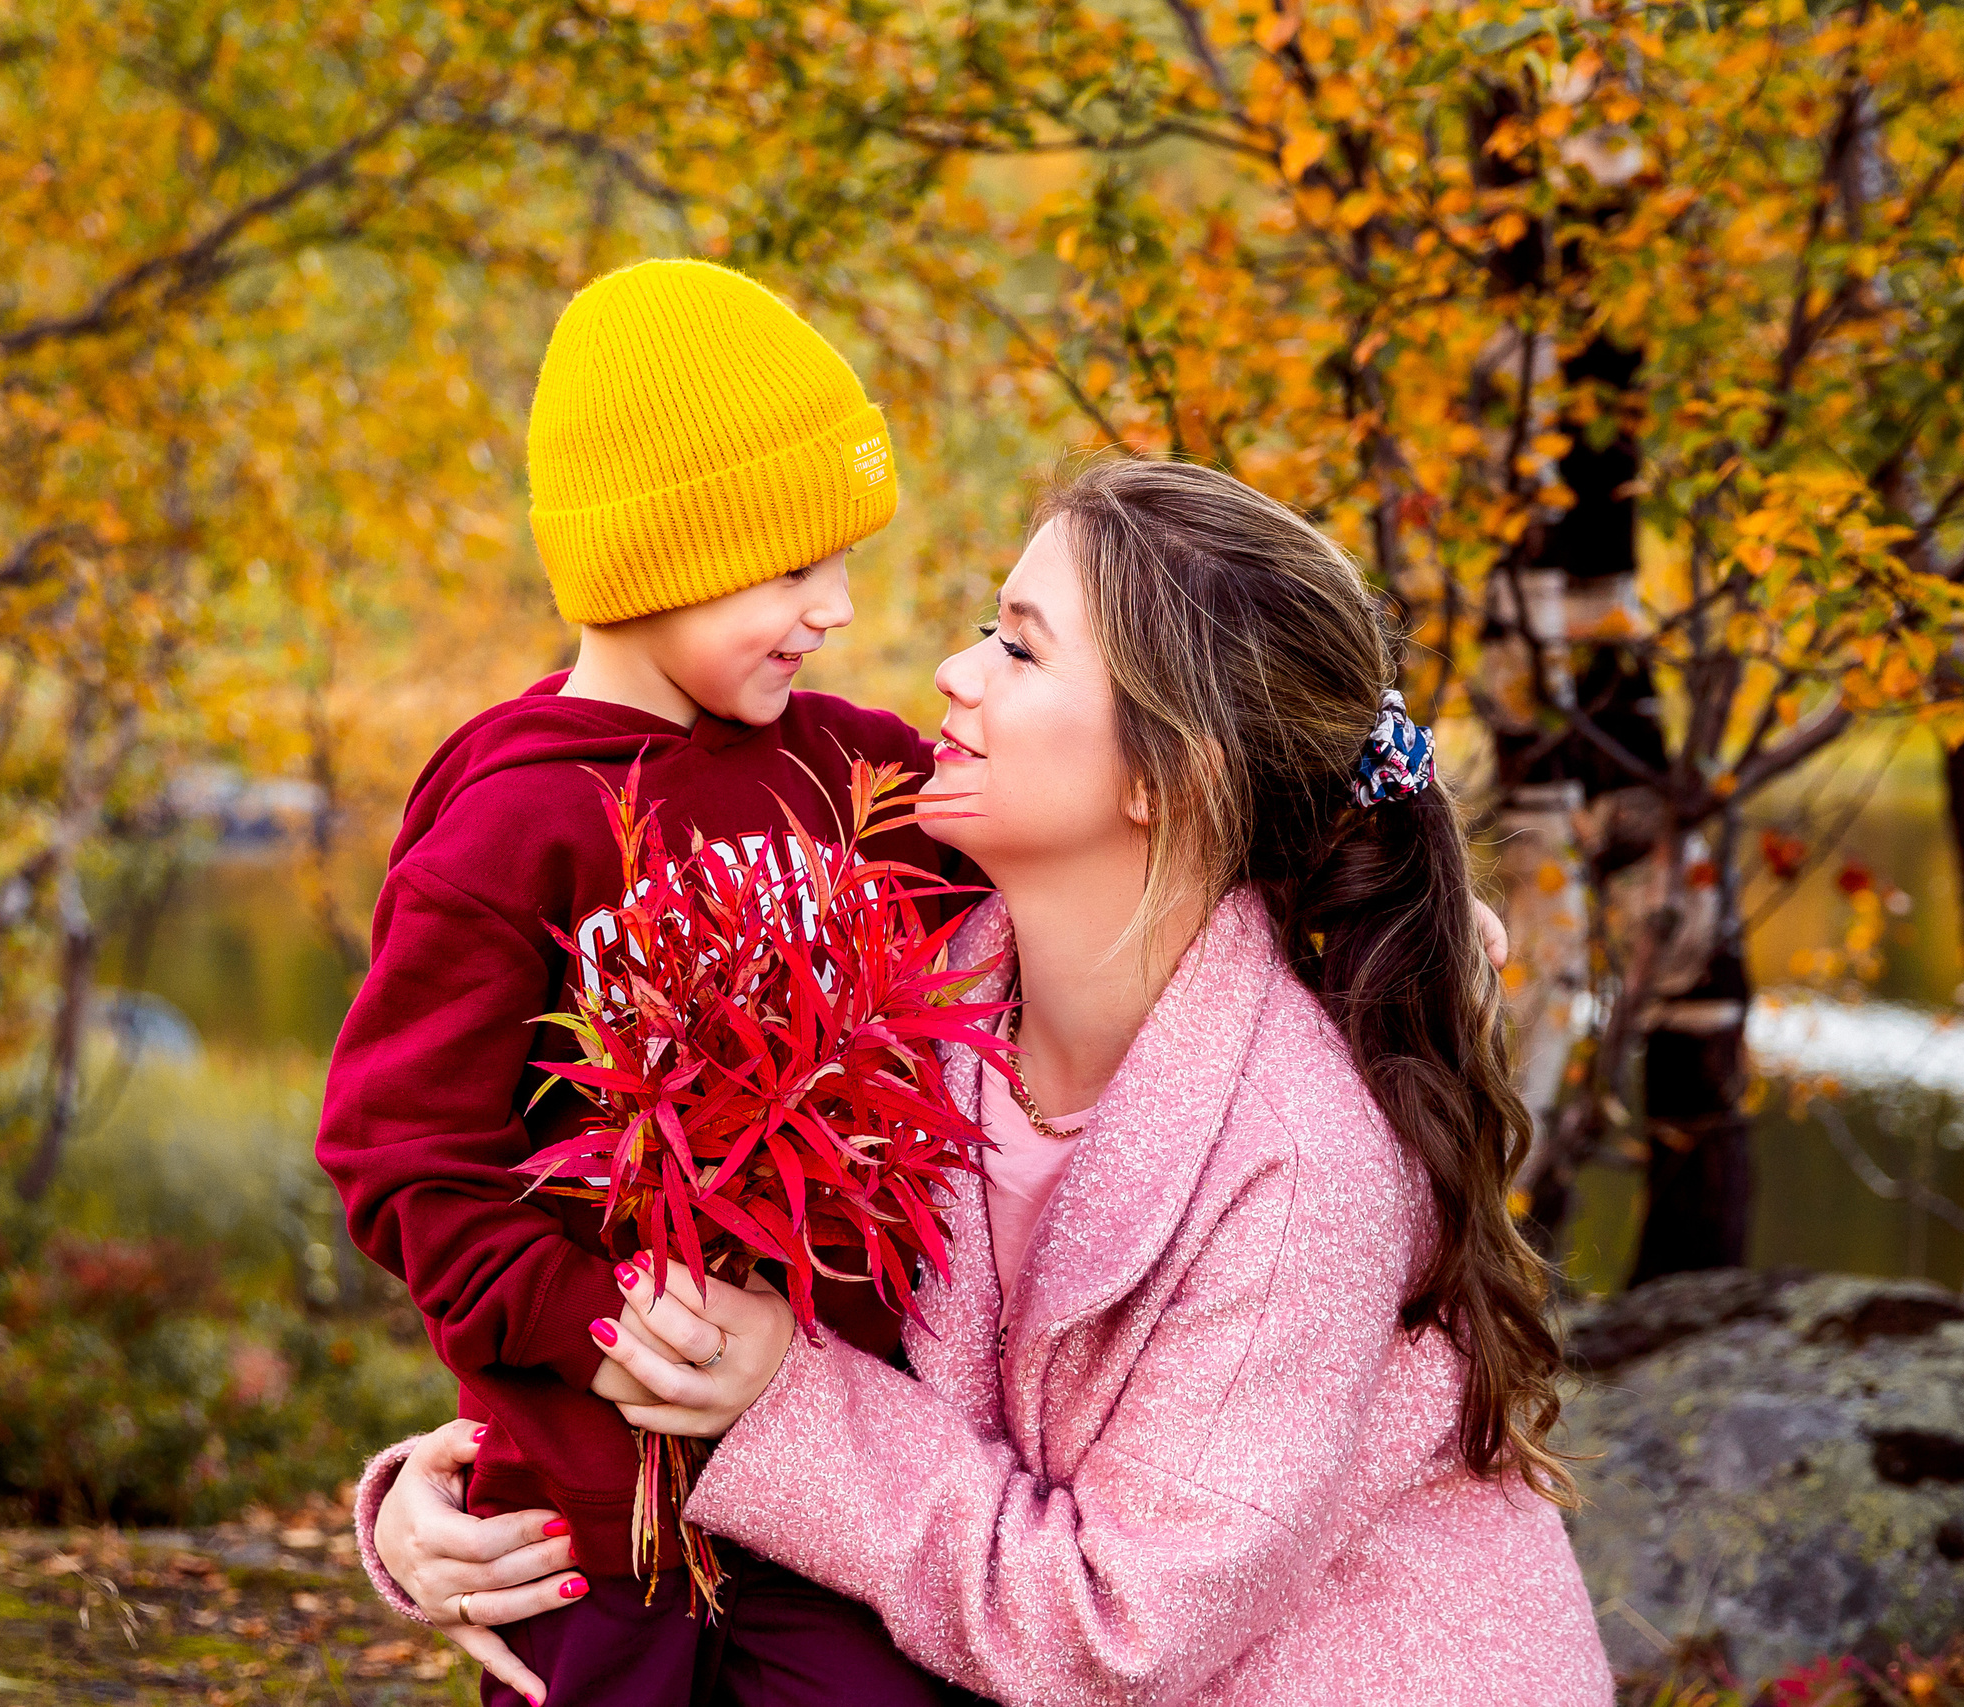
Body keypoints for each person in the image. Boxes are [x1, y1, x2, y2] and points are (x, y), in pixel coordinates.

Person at [359, 458, 1611, 1704]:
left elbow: (1107, 1633)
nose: (950, 675)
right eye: (980, 630)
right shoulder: (906, 976)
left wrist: (777, 1398)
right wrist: (468, 1489)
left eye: (1019, 649)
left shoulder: (1304, 1160)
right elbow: (611, 1234)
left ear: (1160, 776)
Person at [315, 257, 963, 1707]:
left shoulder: (848, 770)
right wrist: (596, 1322)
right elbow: (401, 1156)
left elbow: (1099, 832)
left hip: (831, 1497)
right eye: (796, 569)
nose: (840, 608)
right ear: (667, 555)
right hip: (590, 1530)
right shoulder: (510, 821)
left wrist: (1372, 887)